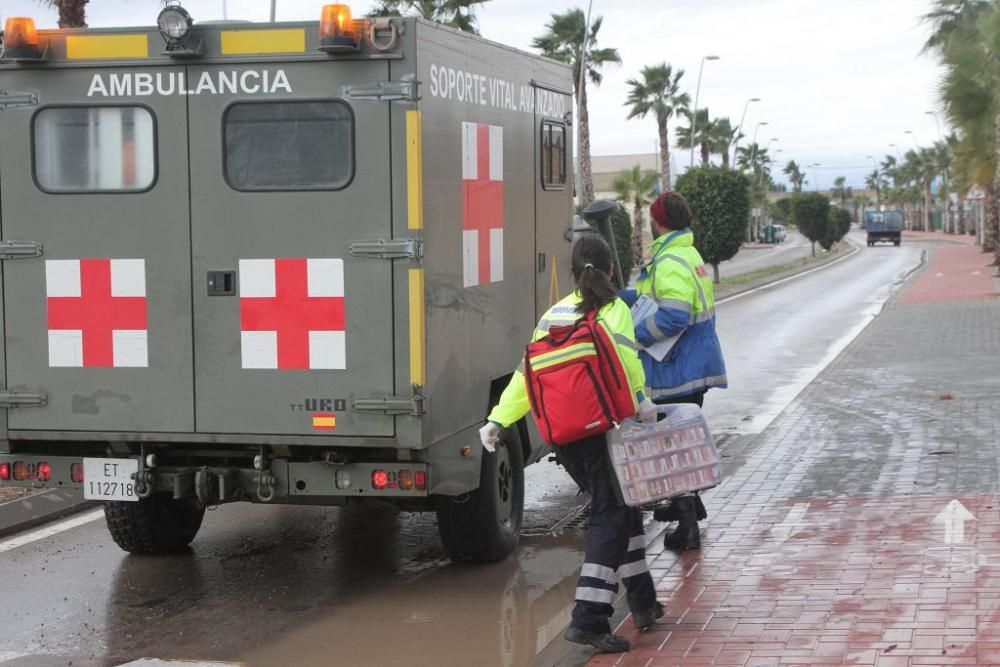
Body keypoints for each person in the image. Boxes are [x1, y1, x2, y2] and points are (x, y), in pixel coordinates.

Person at [479, 234, 662, 653]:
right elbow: (627, 363)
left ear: (574, 272)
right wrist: (643, 402)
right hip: (604, 430)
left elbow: (527, 373)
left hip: (564, 437)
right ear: (611, 269)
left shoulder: (553, 313)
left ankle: (643, 600)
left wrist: (498, 420)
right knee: (610, 513)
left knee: (623, 506)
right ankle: (590, 619)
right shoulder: (614, 308)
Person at [618, 191, 727, 551]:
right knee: (682, 439)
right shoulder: (686, 253)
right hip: (692, 361)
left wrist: (636, 335)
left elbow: (675, 314)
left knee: (672, 446)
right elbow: (658, 298)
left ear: (657, 221)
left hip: (677, 365)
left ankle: (687, 527)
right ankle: (689, 505)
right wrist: (624, 297)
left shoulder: (669, 261)